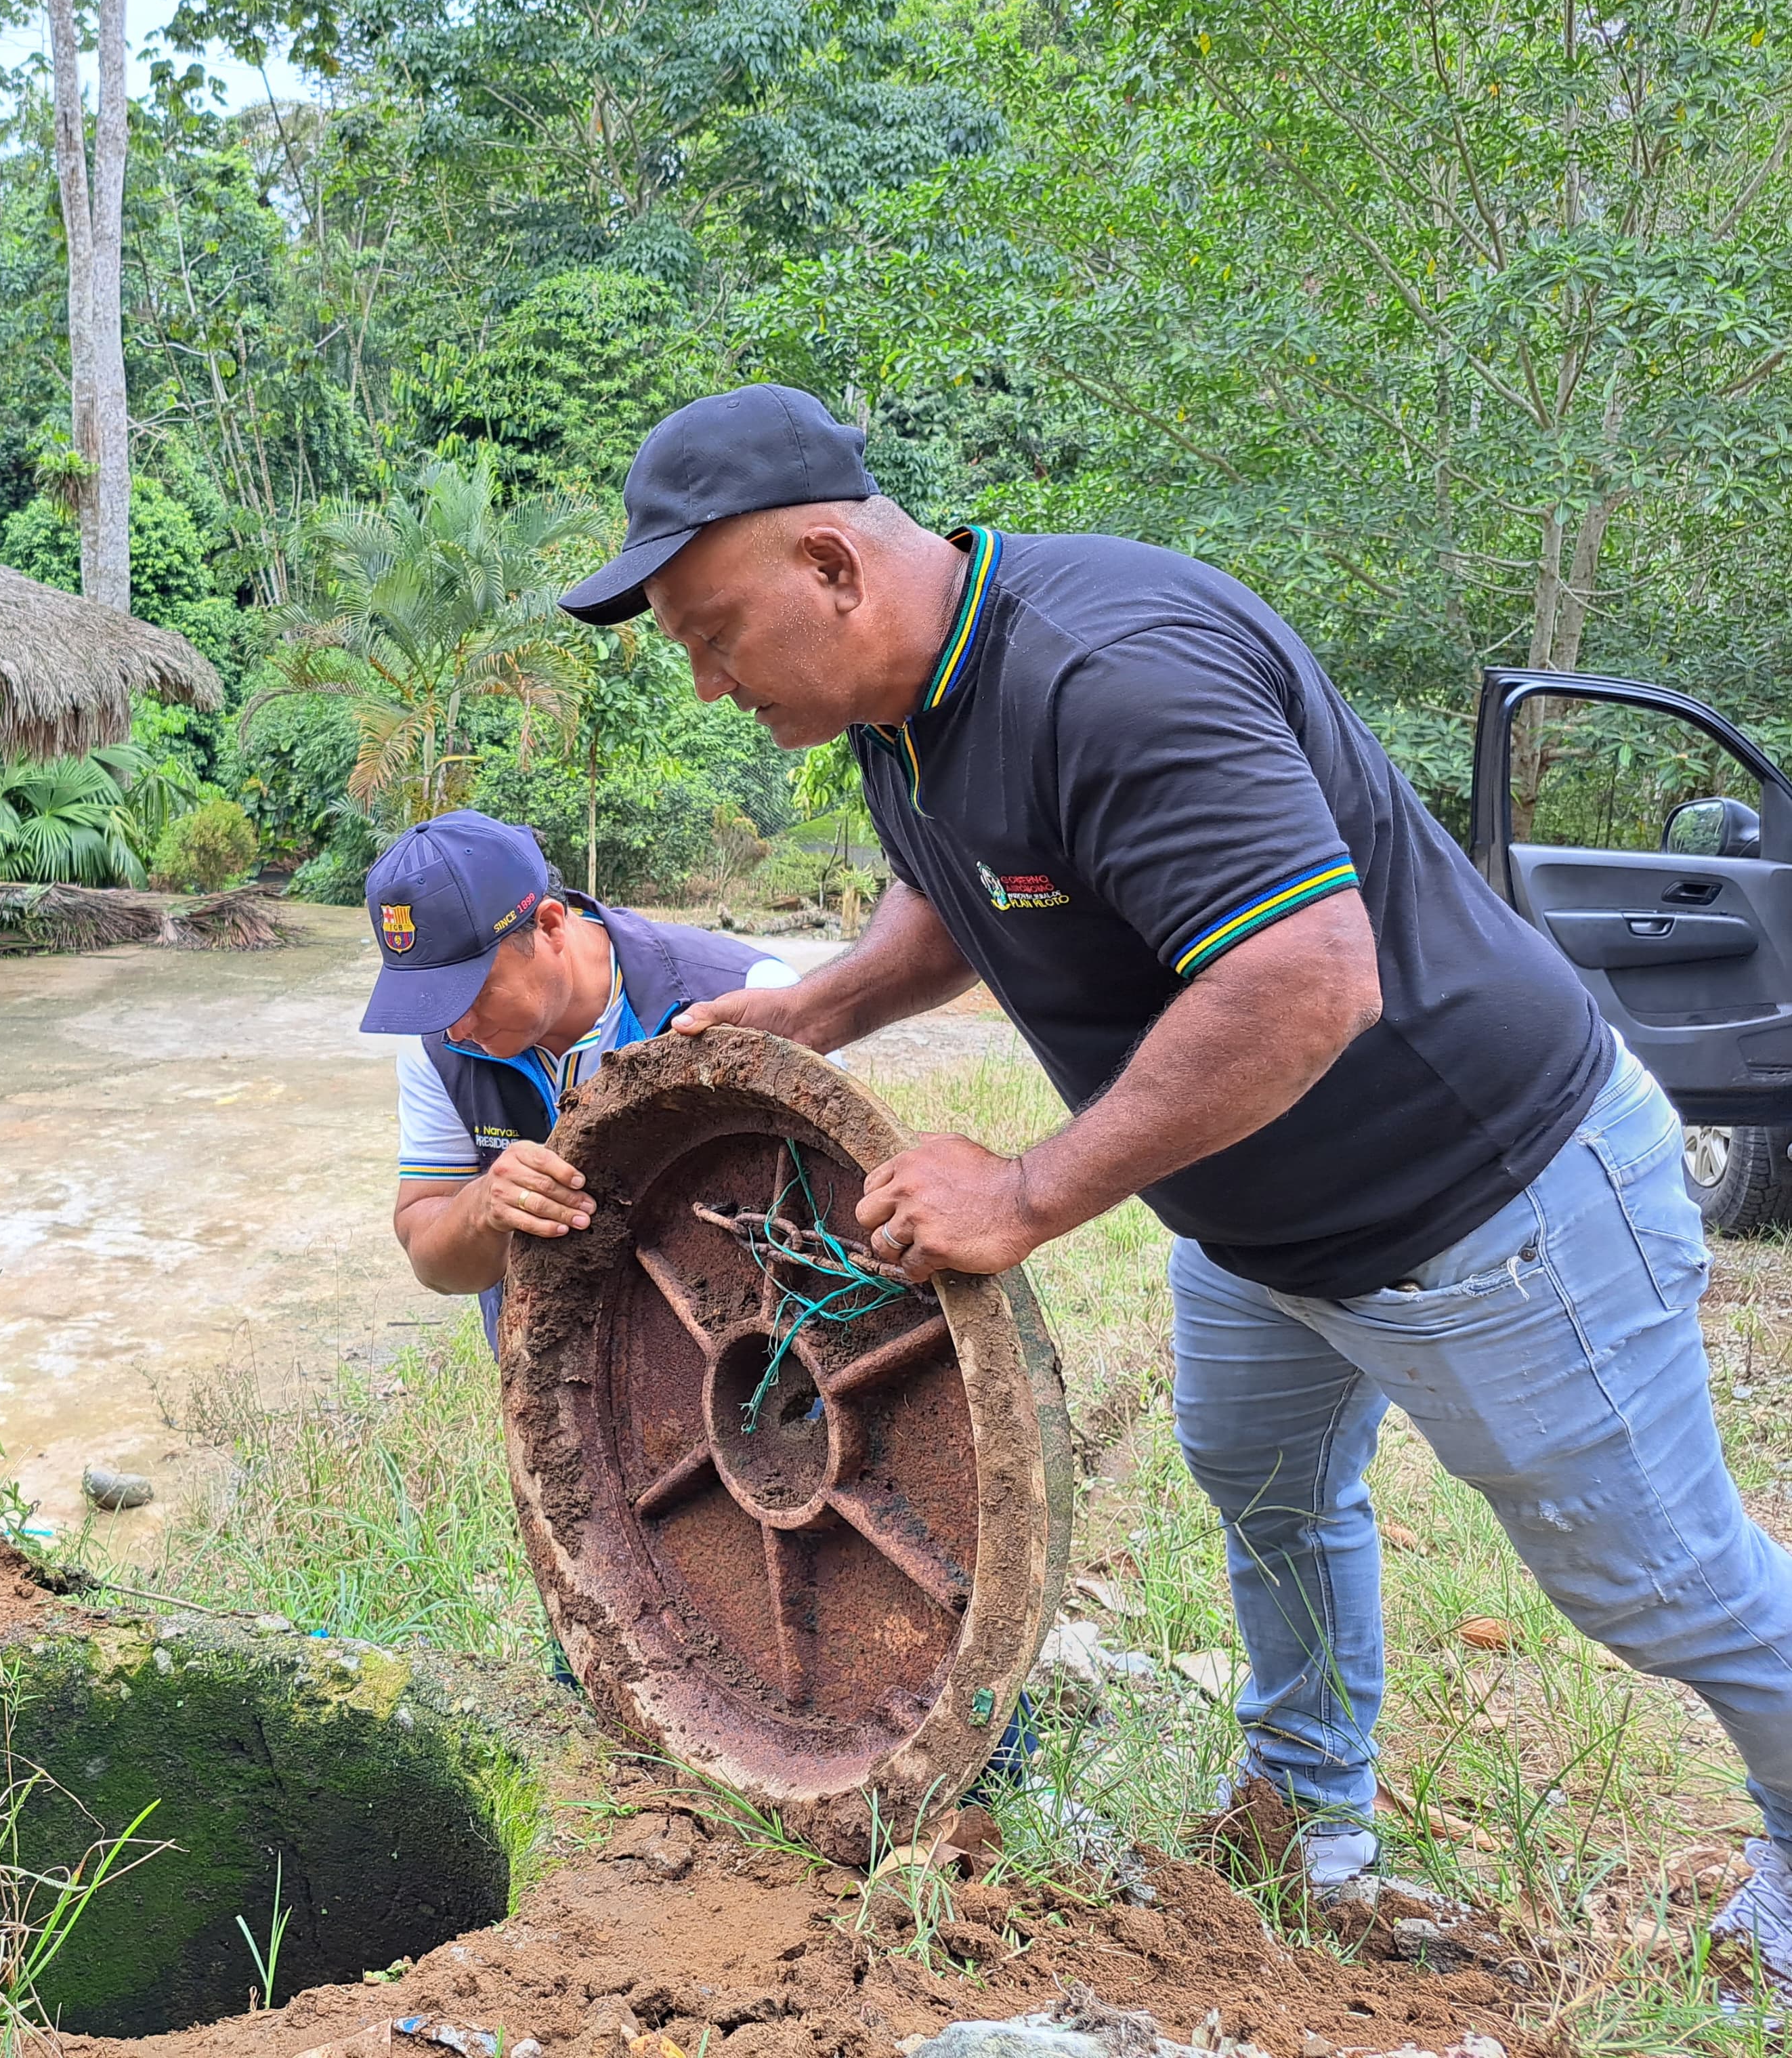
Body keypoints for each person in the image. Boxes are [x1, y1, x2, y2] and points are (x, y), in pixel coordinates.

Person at [555, 381, 1792, 1962]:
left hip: (1487, 1202)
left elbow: (1306, 979)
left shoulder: (1109, 677)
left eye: (715, 635)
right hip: (1258, 1222)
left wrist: (1023, 1193)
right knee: (1271, 1493)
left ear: (833, 566)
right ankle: (1307, 1809)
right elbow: (964, 882)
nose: (708, 681)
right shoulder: (903, 707)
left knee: (1660, 1581)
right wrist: (823, 1005)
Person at [363, 806, 800, 1347]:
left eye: (472, 992)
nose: (456, 1027)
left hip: (744, 1351)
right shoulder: (437, 1043)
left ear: (550, 926)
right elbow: (430, 1256)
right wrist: (483, 1207)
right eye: (431, 1000)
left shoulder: (751, 996)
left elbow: (835, 1209)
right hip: (551, 1373)